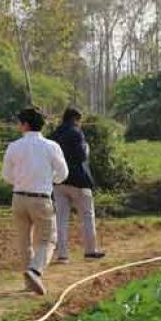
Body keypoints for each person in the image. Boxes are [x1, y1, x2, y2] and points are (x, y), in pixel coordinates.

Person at [1, 107, 69, 297]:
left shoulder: (14, 146)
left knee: (25, 241)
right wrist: (50, 180)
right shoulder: (51, 146)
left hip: (18, 198)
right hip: (41, 198)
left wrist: (21, 181)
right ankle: (35, 271)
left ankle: (28, 282)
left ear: (25, 125)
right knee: (48, 239)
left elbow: (6, 175)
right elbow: (63, 174)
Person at [50, 107, 105, 263]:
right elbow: (81, 155)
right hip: (79, 180)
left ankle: (62, 255)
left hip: (59, 181)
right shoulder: (76, 132)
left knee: (61, 218)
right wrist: (87, 148)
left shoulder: (54, 135)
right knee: (87, 216)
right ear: (75, 119)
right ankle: (90, 251)